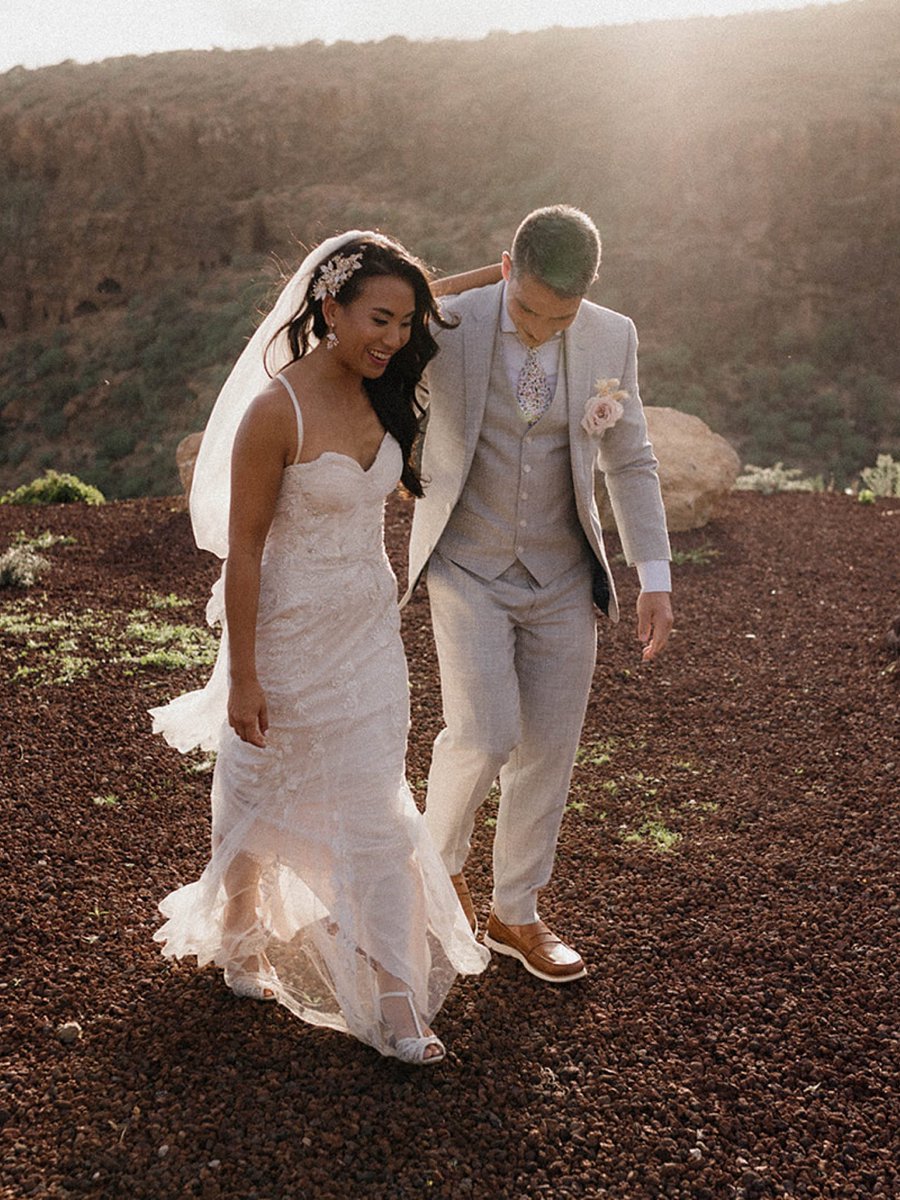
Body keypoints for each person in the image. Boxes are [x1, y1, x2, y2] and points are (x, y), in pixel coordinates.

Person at [150, 231, 491, 1064]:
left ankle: (398, 1001)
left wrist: (503, 271)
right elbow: (248, 548)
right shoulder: (277, 410)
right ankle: (239, 931)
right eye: (378, 319)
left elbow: (410, 296)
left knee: (377, 809)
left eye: (406, 323)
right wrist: (244, 677)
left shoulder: (383, 381)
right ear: (328, 308)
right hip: (286, 637)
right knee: (256, 786)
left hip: (369, 639)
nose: (394, 337)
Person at [403, 205, 674, 983]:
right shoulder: (448, 322)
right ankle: (438, 867)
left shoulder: (610, 336)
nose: (537, 327)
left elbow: (630, 461)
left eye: (558, 317)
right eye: (525, 308)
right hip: (467, 563)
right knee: (484, 733)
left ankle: (513, 913)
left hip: (562, 576)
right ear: (503, 267)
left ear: (585, 298)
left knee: (548, 750)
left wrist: (653, 577)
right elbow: (364, 368)